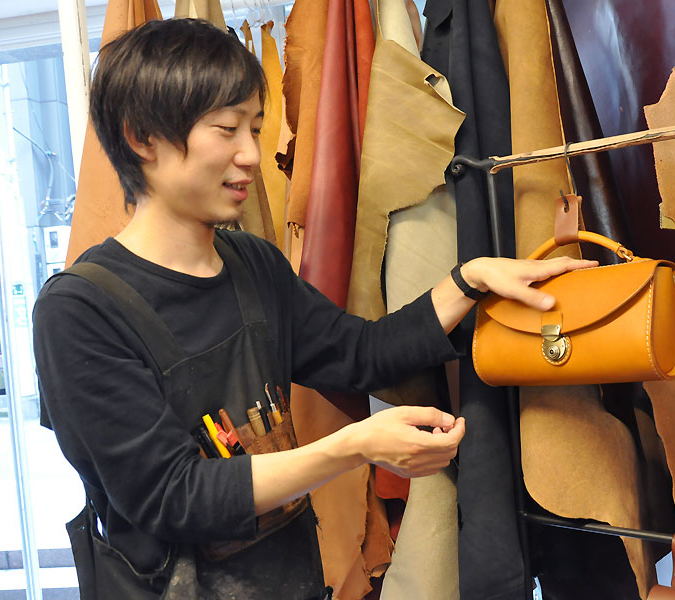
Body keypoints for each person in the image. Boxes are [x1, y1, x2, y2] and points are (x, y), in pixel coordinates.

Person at [32, 17, 597, 600]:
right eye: (226, 129)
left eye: (255, 128)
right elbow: (174, 496)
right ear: (142, 138)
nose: (250, 154)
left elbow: (360, 354)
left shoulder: (252, 263)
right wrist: (352, 446)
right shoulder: (80, 311)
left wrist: (470, 280)